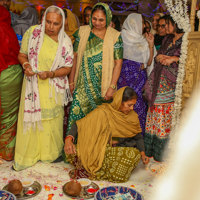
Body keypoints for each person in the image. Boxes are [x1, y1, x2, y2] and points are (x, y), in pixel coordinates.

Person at [13, 5, 74, 171]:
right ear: (43, 19)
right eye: (48, 22)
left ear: (62, 24)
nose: (51, 27)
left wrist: (50, 74)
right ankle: (29, 155)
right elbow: (22, 54)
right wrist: (26, 65)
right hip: (32, 86)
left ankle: (50, 154)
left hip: (52, 88)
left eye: (56, 24)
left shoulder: (65, 41)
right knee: (31, 122)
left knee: (51, 123)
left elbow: (68, 67)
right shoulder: (32, 33)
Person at [64, 2, 123, 149]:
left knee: (101, 121)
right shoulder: (82, 32)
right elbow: (75, 57)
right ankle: (75, 152)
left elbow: (118, 64)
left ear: (108, 19)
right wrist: (71, 82)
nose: (97, 22)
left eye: (101, 20)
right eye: (94, 18)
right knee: (77, 116)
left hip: (103, 86)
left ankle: (96, 152)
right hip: (82, 84)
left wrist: (112, 87)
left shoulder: (115, 37)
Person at [64, 87, 150, 183]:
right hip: (99, 150)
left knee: (133, 155)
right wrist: (68, 140)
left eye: (133, 105)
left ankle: (98, 171)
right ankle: (104, 171)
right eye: (129, 105)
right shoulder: (103, 111)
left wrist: (143, 154)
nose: (132, 108)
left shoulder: (132, 116)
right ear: (119, 101)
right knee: (71, 152)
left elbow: (138, 138)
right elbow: (79, 124)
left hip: (118, 152)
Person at [144, 15, 184, 162]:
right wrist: (160, 57)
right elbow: (158, 56)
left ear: (176, 24)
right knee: (154, 116)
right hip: (158, 84)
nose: (164, 27)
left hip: (171, 86)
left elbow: (191, 58)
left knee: (164, 118)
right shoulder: (167, 39)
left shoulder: (186, 39)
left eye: (167, 24)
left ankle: (162, 155)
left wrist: (174, 59)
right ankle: (150, 152)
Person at [117, 13, 155, 136]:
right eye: (142, 22)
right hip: (124, 79)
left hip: (139, 80)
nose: (144, 25)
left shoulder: (143, 39)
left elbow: (148, 62)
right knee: (123, 106)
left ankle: (137, 143)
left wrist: (150, 44)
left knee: (138, 107)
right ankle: (121, 141)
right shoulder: (120, 37)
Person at [0, 5, 23, 161]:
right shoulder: (7, 31)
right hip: (11, 75)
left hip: (4, 73)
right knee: (9, 116)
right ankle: (6, 152)